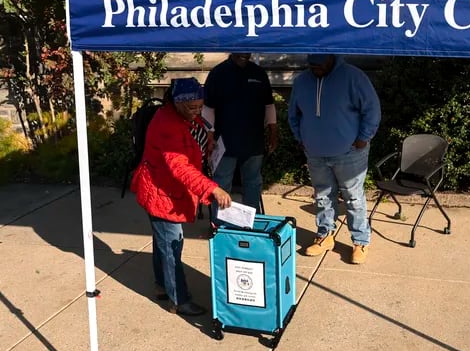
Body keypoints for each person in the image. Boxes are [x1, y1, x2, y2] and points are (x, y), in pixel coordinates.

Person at [131, 77, 232, 316]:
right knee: (172, 246)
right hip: (162, 194)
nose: (196, 111)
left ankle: (161, 285)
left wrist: (207, 132)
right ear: (176, 102)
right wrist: (212, 189)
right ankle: (179, 299)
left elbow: (198, 121)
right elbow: (180, 167)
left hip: (165, 190)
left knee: (163, 242)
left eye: (200, 106)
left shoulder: (181, 115)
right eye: (191, 107)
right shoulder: (167, 126)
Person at [288, 54, 381, 265]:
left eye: (319, 65)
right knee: (322, 195)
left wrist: (363, 138)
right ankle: (325, 235)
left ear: (331, 58)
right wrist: (300, 137)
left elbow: (372, 109)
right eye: (312, 65)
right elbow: (294, 113)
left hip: (349, 153)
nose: (315, 69)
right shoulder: (302, 81)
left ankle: (360, 241)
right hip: (315, 152)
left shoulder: (353, 77)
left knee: (353, 198)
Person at [204, 53, 277, 212]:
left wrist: (273, 132)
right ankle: (219, 225)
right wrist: (209, 135)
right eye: (240, 51)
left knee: (253, 183)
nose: (244, 55)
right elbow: (208, 108)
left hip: (254, 141)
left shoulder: (259, 73)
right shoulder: (218, 73)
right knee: (222, 184)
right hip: (224, 142)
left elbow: (269, 105)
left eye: (247, 52)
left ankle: (251, 223)